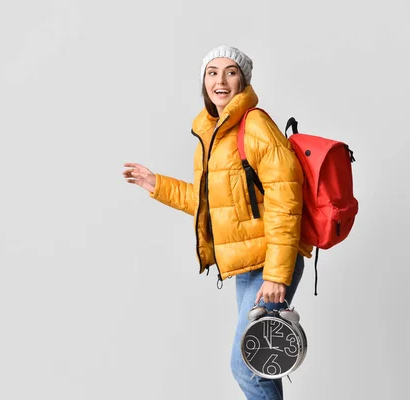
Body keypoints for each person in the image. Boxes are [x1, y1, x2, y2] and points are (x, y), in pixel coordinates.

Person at [123, 45, 312, 400]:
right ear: (203, 82)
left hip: (269, 263)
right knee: (259, 365)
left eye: (230, 72)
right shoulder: (213, 134)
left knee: (246, 367)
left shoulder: (256, 126)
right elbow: (214, 205)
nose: (220, 80)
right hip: (247, 265)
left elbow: (287, 202)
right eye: (212, 72)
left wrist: (276, 274)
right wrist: (156, 184)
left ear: (243, 81)